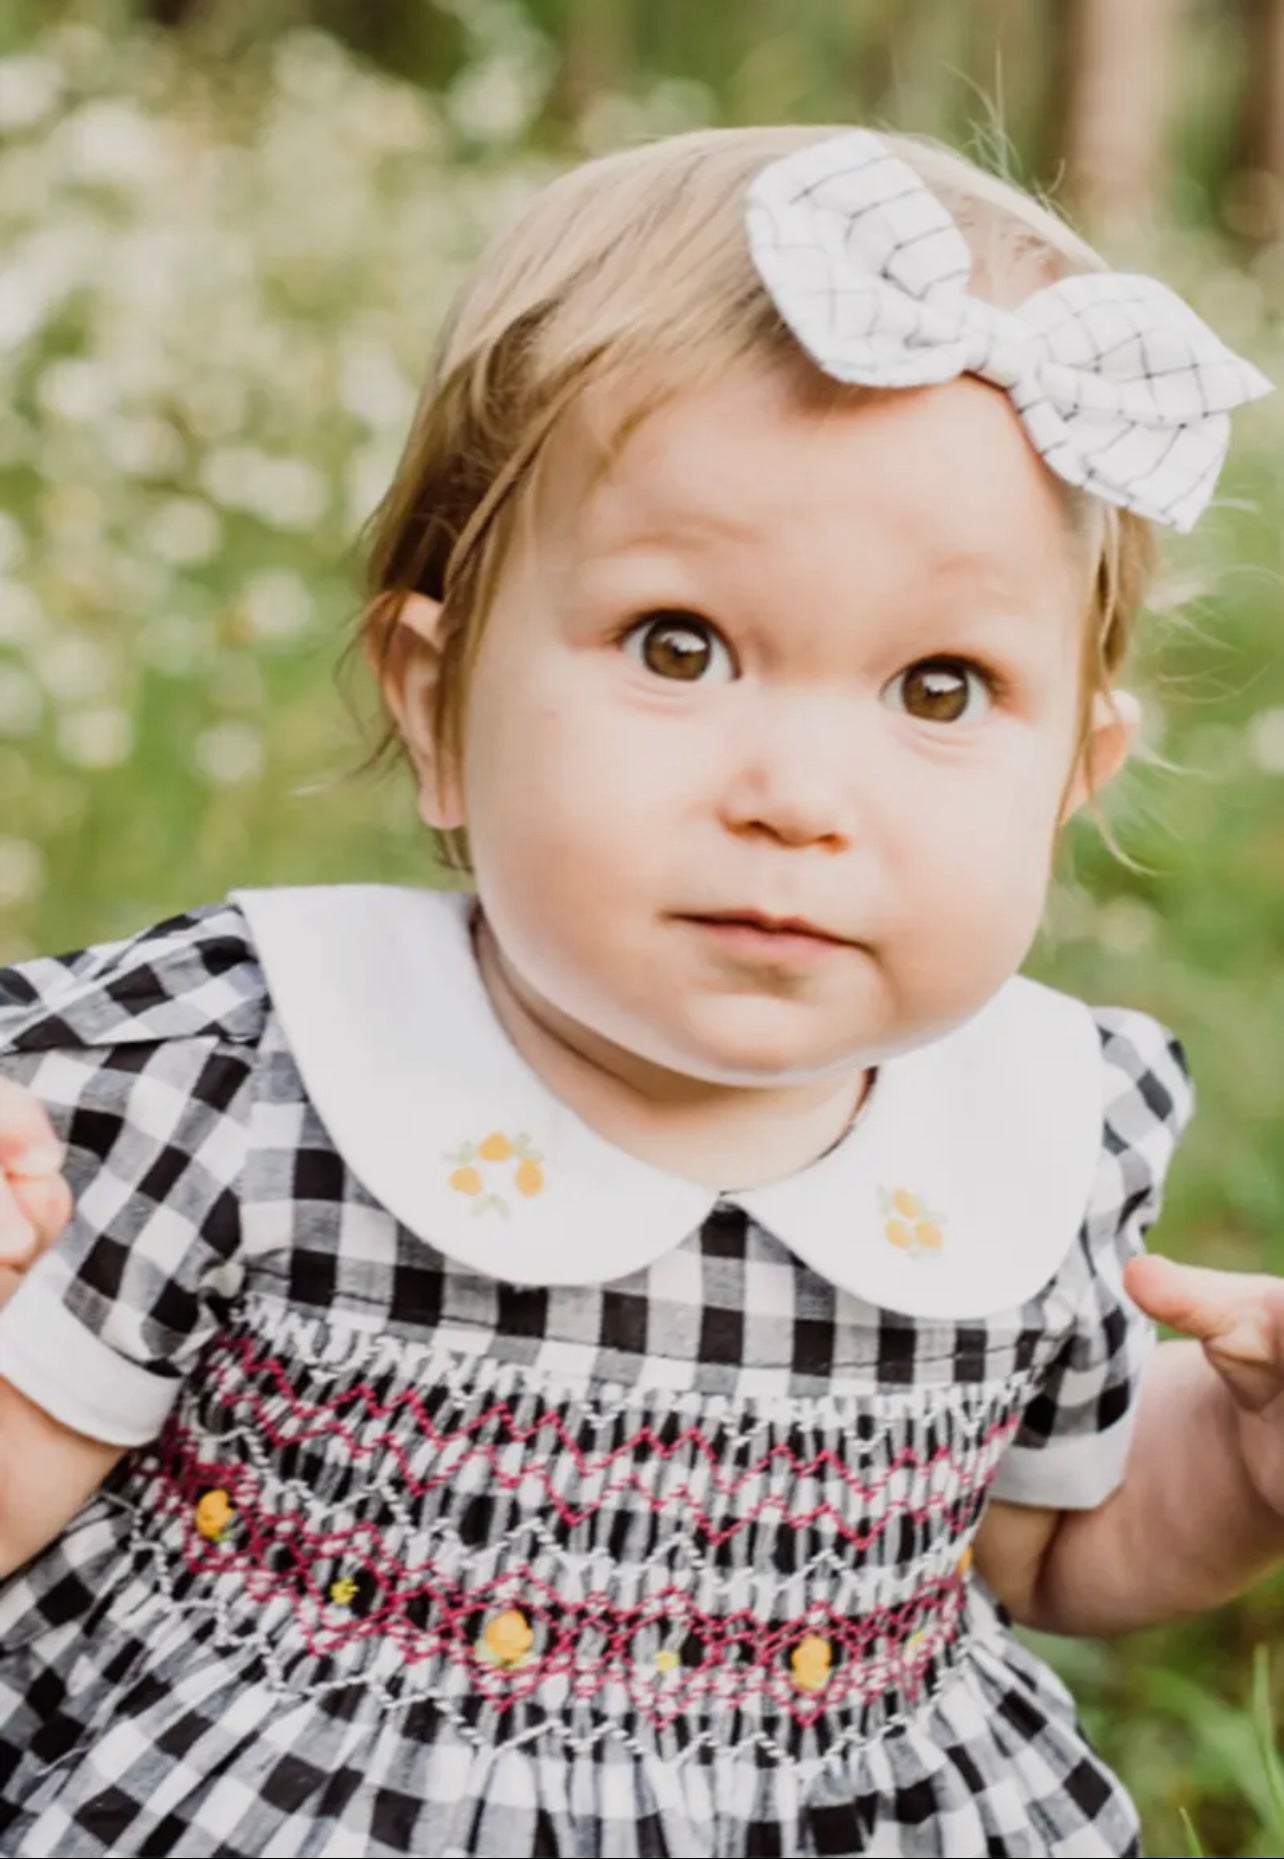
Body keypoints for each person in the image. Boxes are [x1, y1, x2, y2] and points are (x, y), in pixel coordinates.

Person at [0, 123, 1277, 1859]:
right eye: (681, 646)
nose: (800, 794)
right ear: (438, 706)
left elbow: (1057, 1543)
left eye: (942, 685)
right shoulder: (253, 1063)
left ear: (1077, 768)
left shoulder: (1036, 1132)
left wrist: (1243, 1468)